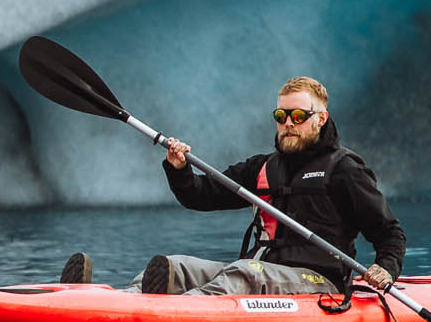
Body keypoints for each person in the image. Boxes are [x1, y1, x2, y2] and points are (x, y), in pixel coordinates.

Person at [58, 74, 405, 296]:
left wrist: (386, 268)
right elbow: (200, 196)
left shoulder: (345, 169)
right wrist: (178, 168)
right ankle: (109, 302)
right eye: (281, 116)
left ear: (320, 119)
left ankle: (171, 313)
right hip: (262, 271)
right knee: (175, 265)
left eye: (298, 116)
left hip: (318, 282)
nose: (288, 124)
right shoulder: (263, 167)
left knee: (243, 273)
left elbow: (389, 232)